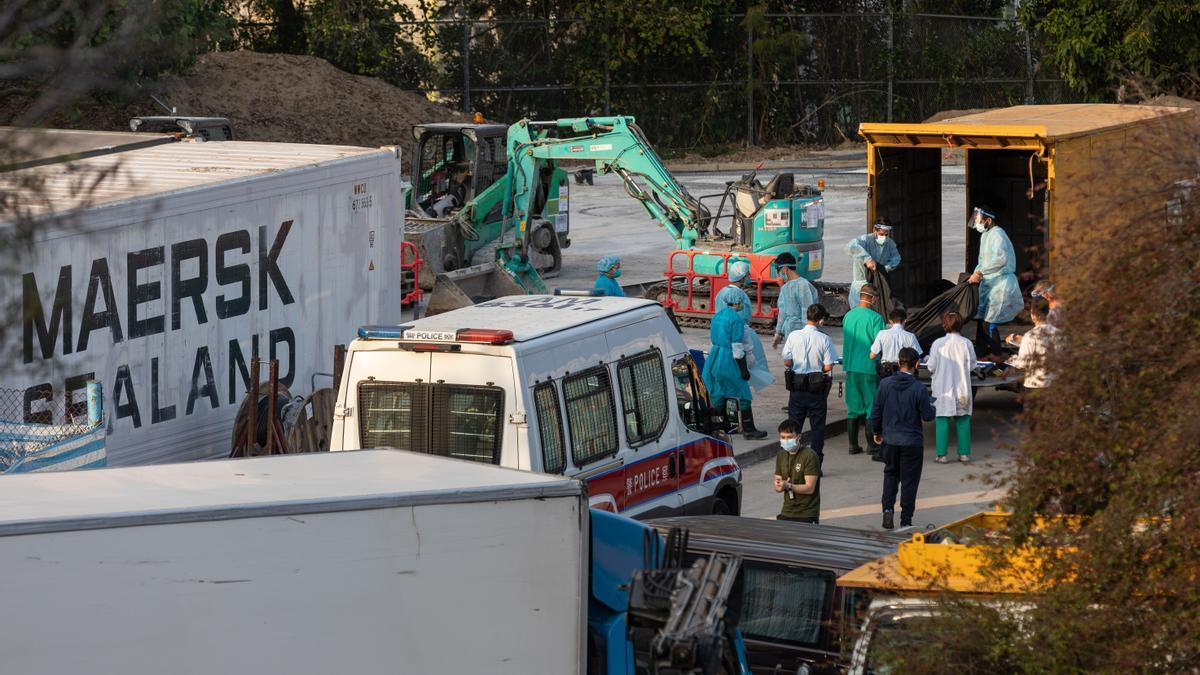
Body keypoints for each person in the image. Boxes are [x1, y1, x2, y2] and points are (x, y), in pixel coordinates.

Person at [871, 347, 935, 530]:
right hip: (912, 442)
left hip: (890, 439)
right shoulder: (919, 389)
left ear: (899, 363)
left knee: (890, 474)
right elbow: (928, 416)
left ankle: (887, 510)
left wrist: (877, 432)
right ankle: (906, 519)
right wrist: (933, 406)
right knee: (910, 480)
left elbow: (876, 412)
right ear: (916, 364)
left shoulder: (884, 384)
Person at [703, 286, 768, 440]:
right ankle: (749, 429)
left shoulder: (717, 316)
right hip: (729, 359)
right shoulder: (736, 319)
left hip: (715, 356)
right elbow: (737, 348)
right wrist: (744, 369)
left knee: (718, 392)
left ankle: (718, 428)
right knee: (744, 393)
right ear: (738, 302)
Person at [781, 303, 838, 461]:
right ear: (820, 320)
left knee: (793, 425)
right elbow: (827, 366)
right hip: (816, 387)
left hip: (797, 386)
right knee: (818, 427)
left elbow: (787, 362)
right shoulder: (824, 339)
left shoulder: (793, 335)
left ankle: (791, 459)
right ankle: (815, 462)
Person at [966, 206, 1022, 360]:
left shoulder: (998, 235)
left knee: (989, 323)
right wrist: (976, 273)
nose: (977, 224)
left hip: (1000, 284)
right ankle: (981, 354)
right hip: (989, 284)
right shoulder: (986, 235)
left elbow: (1000, 259)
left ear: (989, 220)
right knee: (981, 321)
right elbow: (983, 261)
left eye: (980, 221)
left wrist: (980, 272)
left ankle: (997, 356)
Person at [715, 259, 775, 393]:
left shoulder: (721, 293)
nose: (749, 277)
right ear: (742, 277)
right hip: (738, 337)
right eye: (747, 274)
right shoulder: (738, 296)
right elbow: (742, 321)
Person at [842, 283, 886, 460]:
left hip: (851, 367)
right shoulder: (876, 318)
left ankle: (853, 445)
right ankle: (871, 446)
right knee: (871, 407)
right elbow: (880, 343)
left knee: (853, 408)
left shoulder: (848, 316)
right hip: (869, 368)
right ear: (873, 298)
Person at [926, 311, 976, 464]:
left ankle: (942, 455)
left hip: (943, 389)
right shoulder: (966, 343)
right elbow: (973, 365)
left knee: (942, 421)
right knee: (963, 421)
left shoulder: (938, 343)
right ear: (961, 324)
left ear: (944, 325)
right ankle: (964, 454)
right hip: (962, 389)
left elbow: (931, 366)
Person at [845, 218, 901, 308]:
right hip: (861, 284)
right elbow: (850, 246)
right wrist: (867, 259)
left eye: (886, 234)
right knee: (859, 310)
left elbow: (896, 258)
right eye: (881, 234)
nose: (884, 237)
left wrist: (885, 268)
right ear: (874, 230)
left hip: (877, 284)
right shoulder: (864, 240)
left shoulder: (889, 243)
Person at [773, 419, 821, 524]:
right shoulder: (781, 456)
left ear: (798, 437)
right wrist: (779, 485)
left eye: (789, 437)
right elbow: (777, 484)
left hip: (806, 513)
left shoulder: (810, 456)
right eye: (783, 437)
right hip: (787, 511)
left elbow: (810, 488)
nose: (785, 441)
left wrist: (788, 486)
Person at [772, 252, 820, 349]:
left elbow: (807, 311)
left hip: (803, 333)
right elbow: (783, 312)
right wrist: (778, 332)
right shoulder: (785, 288)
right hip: (789, 333)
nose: (778, 274)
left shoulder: (803, 286)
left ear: (785, 268)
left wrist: (807, 334)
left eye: (778, 270)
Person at [1007, 299, 1058, 390]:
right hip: (1055, 383)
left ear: (1033, 315)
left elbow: (1023, 363)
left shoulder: (1030, 336)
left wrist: (1010, 360)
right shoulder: (1058, 333)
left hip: (1035, 384)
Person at [869, 308, 922, 378]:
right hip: (904, 370)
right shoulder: (911, 336)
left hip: (886, 371)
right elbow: (918, 357)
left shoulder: (882, 334)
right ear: (905, 321)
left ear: (890, 321)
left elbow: (872, 356)